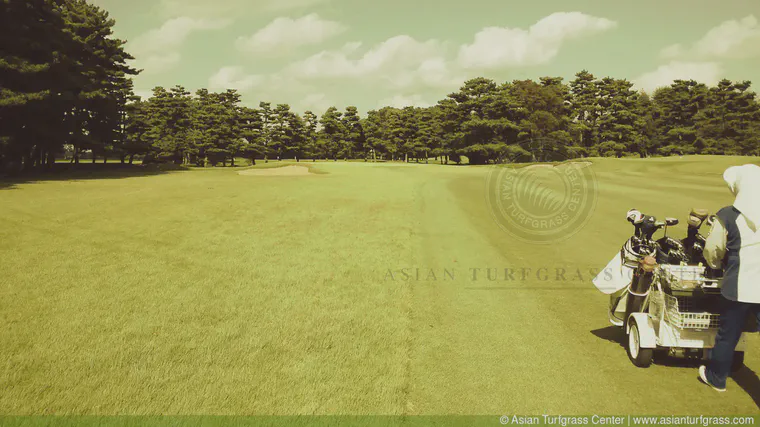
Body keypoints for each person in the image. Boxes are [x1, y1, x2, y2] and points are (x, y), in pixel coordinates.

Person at [699, 164, 760, 392]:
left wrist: (715, 266)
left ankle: (717, 378)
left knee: (728, 334)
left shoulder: (727, 214)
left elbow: (713, 250)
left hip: (739, 285)